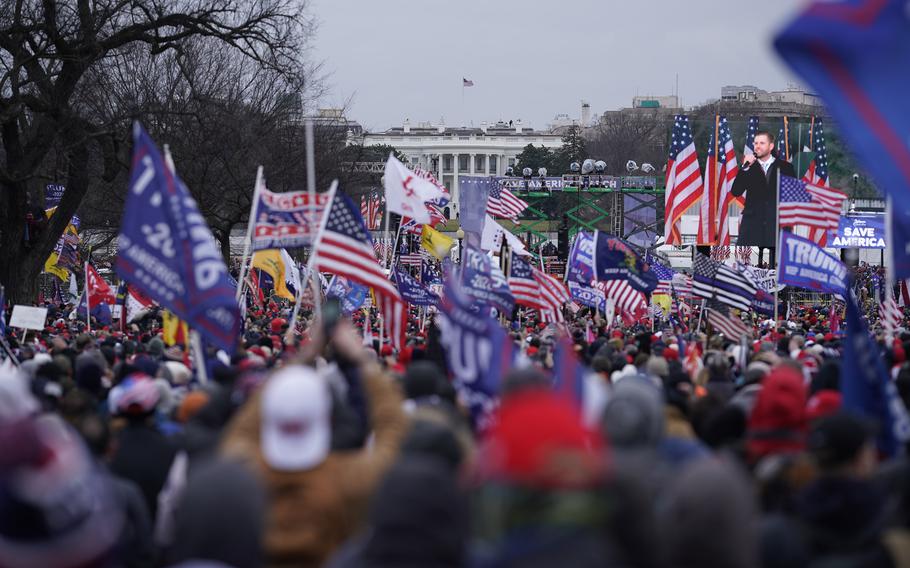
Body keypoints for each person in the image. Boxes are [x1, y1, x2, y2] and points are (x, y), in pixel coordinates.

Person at [731, 130, 797, 266]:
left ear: (771, 146)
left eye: (762, 143)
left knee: (776, 264)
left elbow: (793, 195)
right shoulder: (749, 167)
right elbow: (736, 191)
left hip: (776, 224)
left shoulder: (786, 167)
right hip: (752, 224)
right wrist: (744, 169)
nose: (757, 146)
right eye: (755, 143)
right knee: (747, 263)